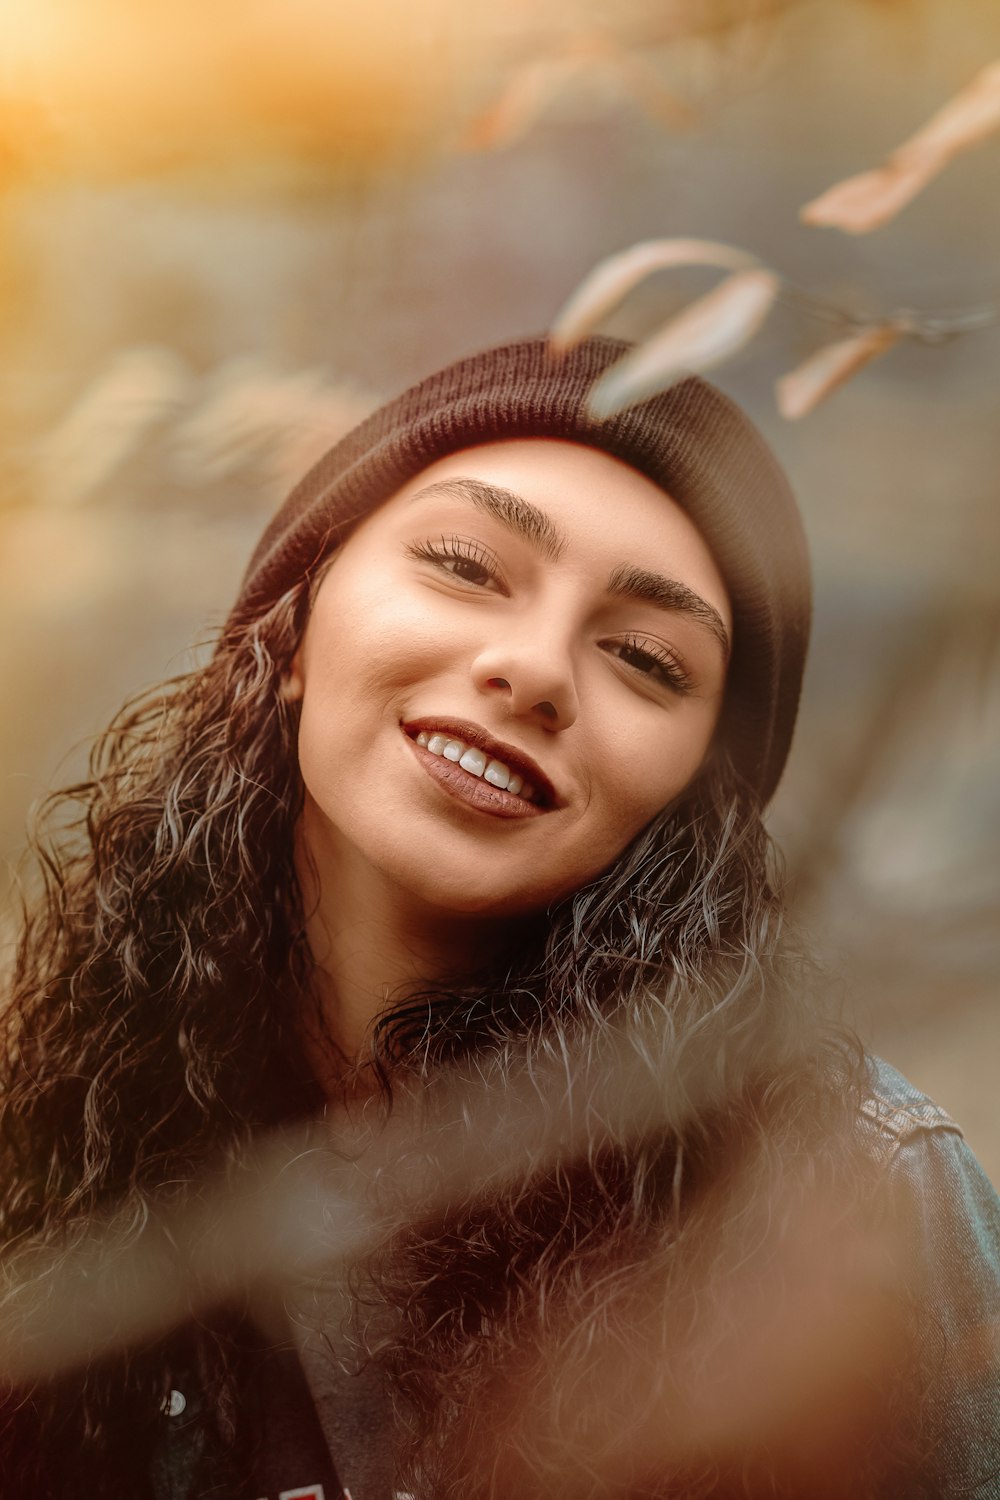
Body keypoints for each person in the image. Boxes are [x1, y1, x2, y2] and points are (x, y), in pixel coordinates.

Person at [1, 334, 999, 1499]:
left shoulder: (859, 1194)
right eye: (467, 567)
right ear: (293, 631)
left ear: (695, 799)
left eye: (642, 657)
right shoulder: (60, 1129)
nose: (533, 670)